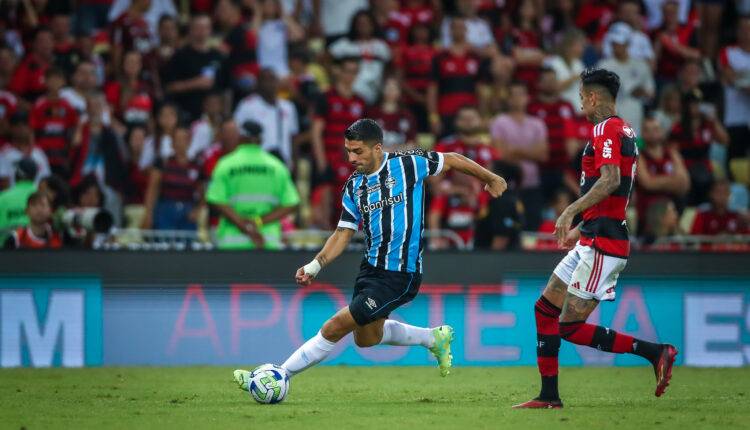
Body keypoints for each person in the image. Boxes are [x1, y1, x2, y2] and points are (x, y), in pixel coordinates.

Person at [232, 118, 508, 392]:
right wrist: (316, 265)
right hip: (370, 271)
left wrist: (491, 178)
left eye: (358, 151)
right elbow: (342, 233)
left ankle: (276, 375)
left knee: (334, 326)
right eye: (348, 151)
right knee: (366, 338)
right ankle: (433, 338)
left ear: (377, 148)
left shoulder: (408, 164)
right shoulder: (354, 187)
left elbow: (452, 159)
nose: (351, 158)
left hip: (401, 274)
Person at [513, 68, 677, 410]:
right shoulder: (624, 128)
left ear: (592, 97)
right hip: (593, 236)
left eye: (581, 97)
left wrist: (568, 210)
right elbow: (608, 190)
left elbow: (611, 180)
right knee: (544, 308)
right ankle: (549, 396)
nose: (580, 104)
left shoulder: (605, 128)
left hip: (605, 242)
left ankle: (655, 352)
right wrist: (580, 225)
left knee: (570, 327)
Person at [205, 120, 299, 250]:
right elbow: (292, 203)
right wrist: (258, 222)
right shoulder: (277, 166)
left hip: (232, 243)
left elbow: (215, 200)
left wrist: (244, 226)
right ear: (261, 140)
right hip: (266, 241)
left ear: (240, 137)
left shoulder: (225, 164)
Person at [490, 81, 549, 230]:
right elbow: (501, 154)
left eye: (521, 94)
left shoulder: (537, 123)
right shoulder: (499, 122)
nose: (517, 98)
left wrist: (515, 151)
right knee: (508, 230)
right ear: (508, 99)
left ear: (527, 97)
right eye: (514, 95)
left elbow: (543, 155)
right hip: (507, 186)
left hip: (532, 185)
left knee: (532, 229)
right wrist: (530, 152)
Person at [528, 68, 580, 202]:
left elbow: (573, 135)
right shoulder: (531, 107)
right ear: (539, 84)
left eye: (554, 80)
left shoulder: (567, 106)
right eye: (547, 81)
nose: (552, 84)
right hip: (539, 168)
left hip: (564, 167)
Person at [163, 14, 224, 121]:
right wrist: (195, 83)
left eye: (205, 27)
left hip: (213, 117)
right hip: (187, 114)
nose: (202, 31)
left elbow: (226, 88)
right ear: (190, 30)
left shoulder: (217, 56)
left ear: (210, 30)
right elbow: (169, 87)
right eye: (198, 27)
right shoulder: (180, 55)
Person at [141, 127, 204, 231]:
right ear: (172, 143)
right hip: (165, 210)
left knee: (187, 246)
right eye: (177, 140)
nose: (180, 143)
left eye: (183, 139)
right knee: (164, 244)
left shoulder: (196, 166)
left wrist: (197, 211)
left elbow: (204, 192)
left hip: (187, 211)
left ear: (189, 142)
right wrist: (148, 215)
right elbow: (152, 189)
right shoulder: (163, 163)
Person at [233, 68, 299, 169]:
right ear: (258, 83)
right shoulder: (247, 105)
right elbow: (237, 134)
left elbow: (293, 137)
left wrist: (295, 163)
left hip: (283, 165)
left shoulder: (288, 107)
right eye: (266, 80)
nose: (270, 84)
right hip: (256, 166)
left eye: (273, 79)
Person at [636, 116, 690, 234]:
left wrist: (658, 181)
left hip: (673, 209)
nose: (652, 133)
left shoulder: (672, 154)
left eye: (655, 129)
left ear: (662, 132)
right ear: (643, 134)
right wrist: (672, 181)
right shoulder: (639, 156)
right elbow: (647, 183)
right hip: (648, 215)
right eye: (647, 130)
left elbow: (684, 184)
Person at [597, 23, 654, 134]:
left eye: (619, 43)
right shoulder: (603, 66)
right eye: (613, 43)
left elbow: (651, 93)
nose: (615, 46)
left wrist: (642, 92)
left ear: (628, 43)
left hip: (635, 117)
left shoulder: (641, 65)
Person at [328, 10, 391, 104]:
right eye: (360, 23)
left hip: (375, 93)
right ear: (355, 25)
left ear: (373, 25)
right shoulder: (345, 44)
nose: (363, 27)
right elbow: (325, 57)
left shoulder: (381, 46)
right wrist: (335, 75)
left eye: (367, 23)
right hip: (351, 94)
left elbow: (389, 67)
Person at [29, 67, 78, 178]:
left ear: (63, 82)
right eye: (51, 79)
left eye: (58, 79)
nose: (54, 83)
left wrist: (70, 156)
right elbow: (32, 130)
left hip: (61, 157)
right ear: (45, 81)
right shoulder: (39, 105)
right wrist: (33, 153)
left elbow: (73, 131)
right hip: (43, 156)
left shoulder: (68, 106)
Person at [366, 76, 417, 151]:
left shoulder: (407, 115)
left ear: (400, 92)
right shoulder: (372, 113)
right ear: (382, 89)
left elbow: (412, 144)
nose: (391, 91)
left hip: (399, 159)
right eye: (388, 87)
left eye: (394, 88)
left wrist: (394, 150)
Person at [0, 158, 38, 235]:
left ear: (16, 173)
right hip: (39, 245)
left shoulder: (2, 197)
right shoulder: (44, 197)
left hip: (5, 246)